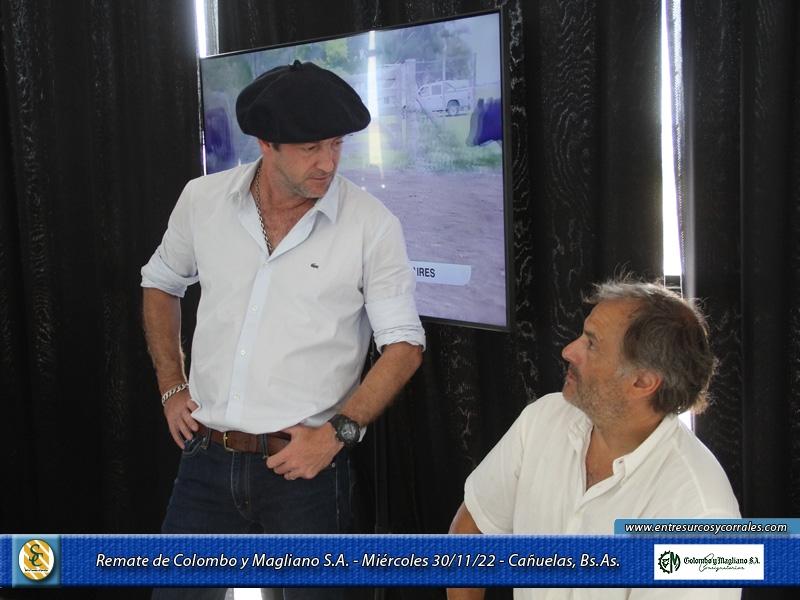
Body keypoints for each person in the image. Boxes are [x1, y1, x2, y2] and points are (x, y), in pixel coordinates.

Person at [141, 61, 425, 600]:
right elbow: (160, 283)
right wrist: (171, 384)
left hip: (306, 474)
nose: (328, 162)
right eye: (311, 148)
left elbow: (404, 346)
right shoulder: (202, 200)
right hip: (206, 459)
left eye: (337, 144)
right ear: (266, 145)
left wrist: (336, 435)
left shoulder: (372, 225)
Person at [448, 279, 740, 600]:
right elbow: (472, 530)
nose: (568, 351)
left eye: (592, 344)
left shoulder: (702, 519)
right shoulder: (544, 419)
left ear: (642, 382)